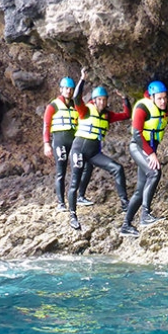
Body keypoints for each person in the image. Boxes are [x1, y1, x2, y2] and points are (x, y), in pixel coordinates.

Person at [66, 68, 131, 232]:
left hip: (94, 153)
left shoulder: (107, 115)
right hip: (78, 150)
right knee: (75, 182)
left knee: (117, 168)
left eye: (104, 100)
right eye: (99, 100)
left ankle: (125, 204)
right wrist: (82, 79)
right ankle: (72, 215)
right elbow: (76, 97)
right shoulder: (86, 110)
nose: (101, 102)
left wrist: (124, 98)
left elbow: (126, 115)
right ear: (94, 100)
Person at [122, 80, 168, 235]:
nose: (163, 101)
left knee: (141, 189)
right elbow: (137, 134)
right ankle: (145, 215)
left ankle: (126, 226)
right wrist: (151, 153)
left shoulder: (166, 107)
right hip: (138, 147)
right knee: (155, 172)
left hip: (149, 149)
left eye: (164, 98)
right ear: (152, 97)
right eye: (159, 98)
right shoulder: (142, 108)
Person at [42, 76, 94, 210]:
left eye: (71, 89)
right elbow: (46, 125)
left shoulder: (75, 105)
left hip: (75, 140)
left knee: (86, 165)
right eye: (66, 88)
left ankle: (80, 196)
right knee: (61, 172)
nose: (68, 91)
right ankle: (61, 203)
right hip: (59, 141)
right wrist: (47, 143)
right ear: (61, 89)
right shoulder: (53, 106)